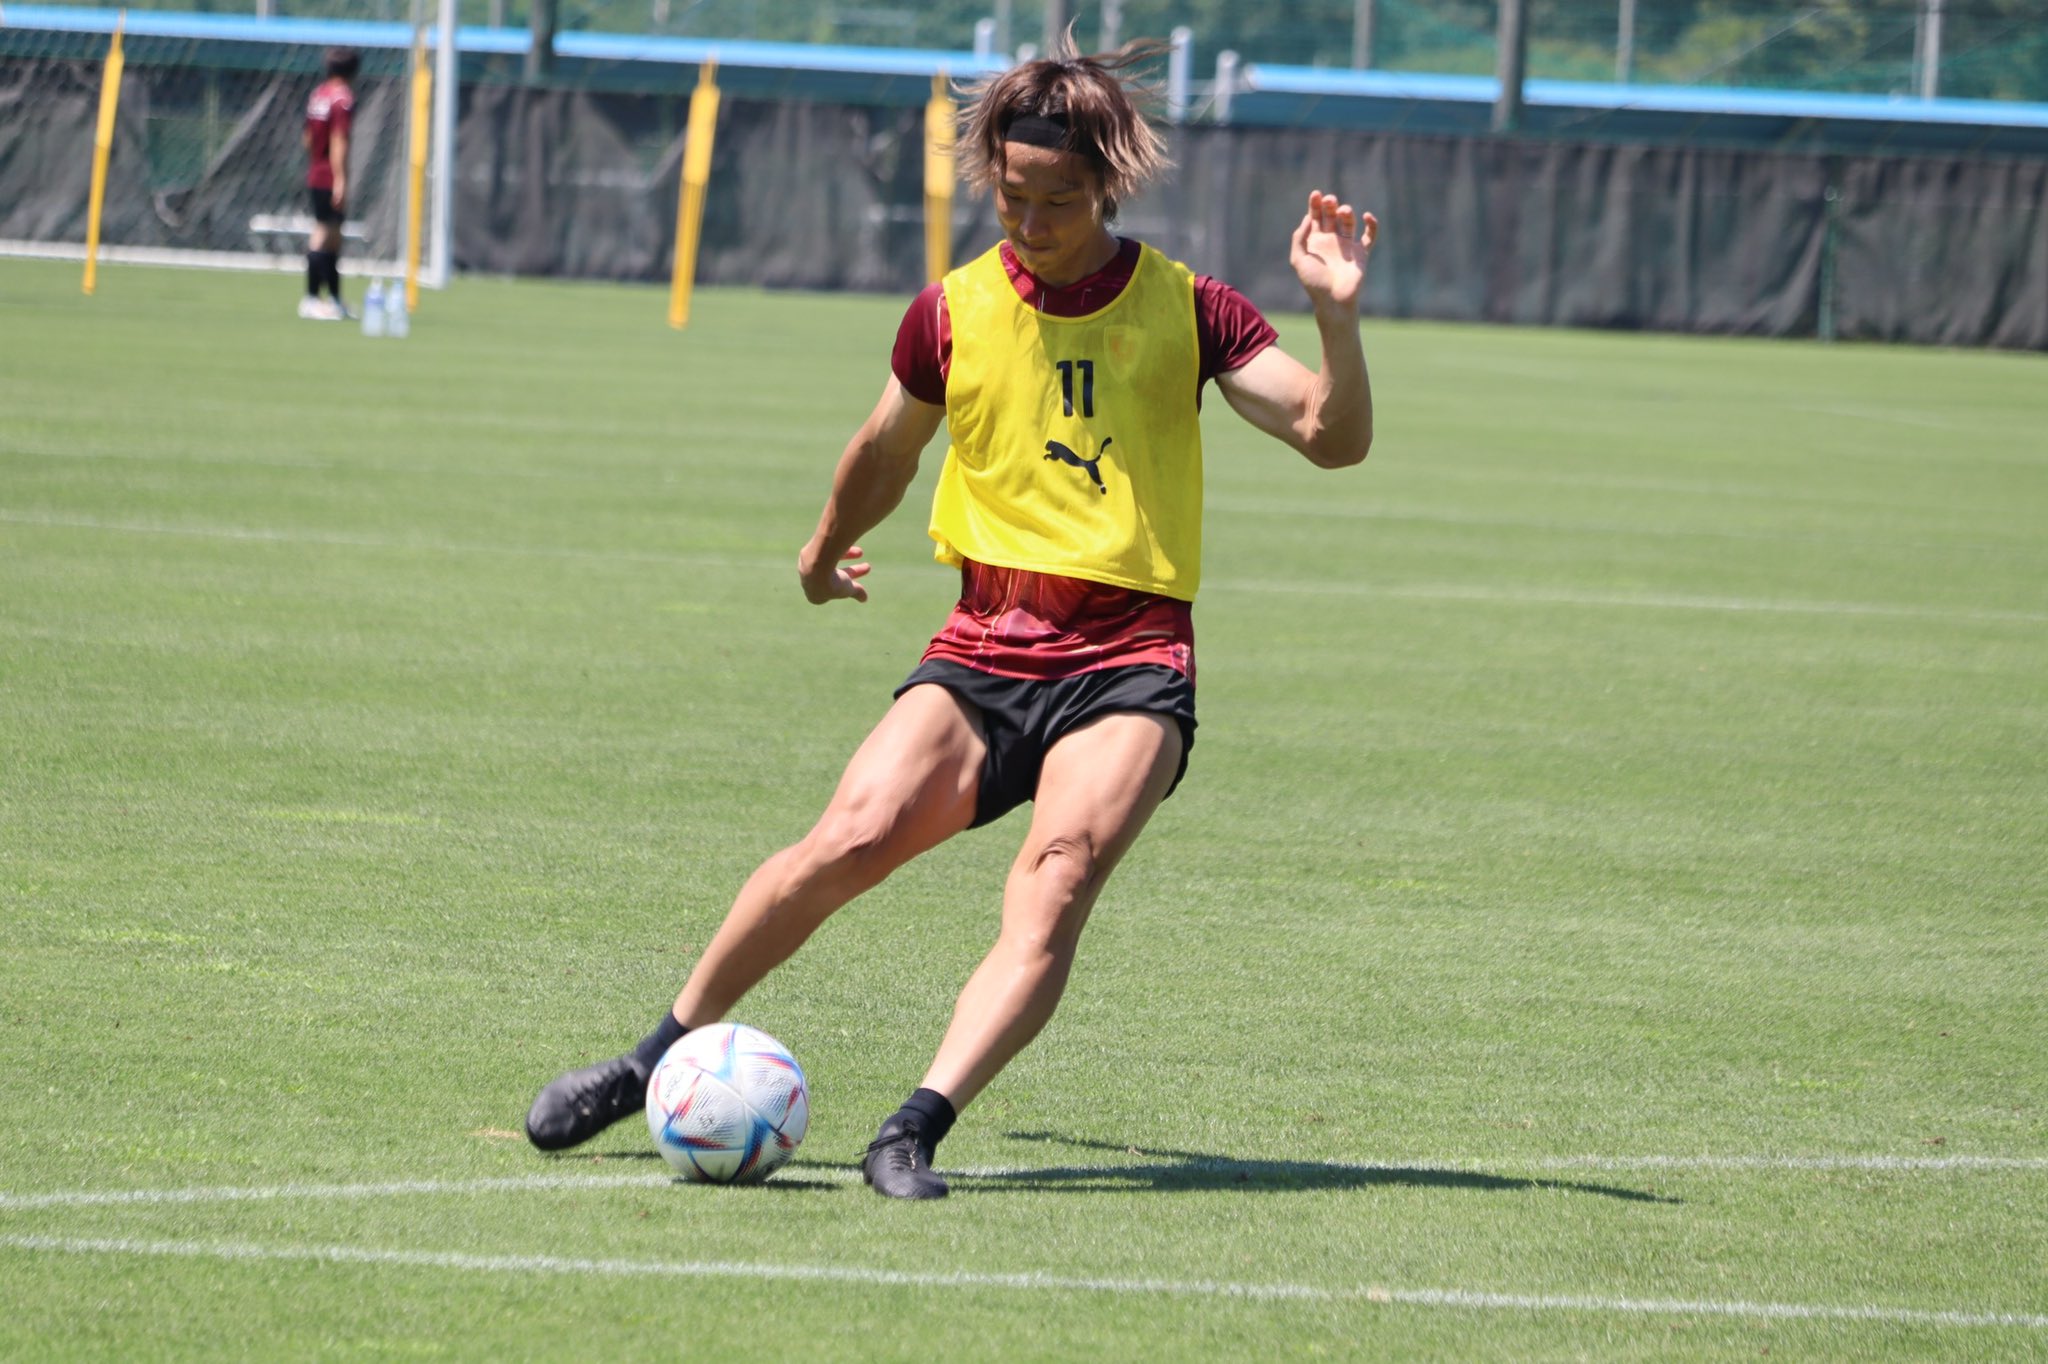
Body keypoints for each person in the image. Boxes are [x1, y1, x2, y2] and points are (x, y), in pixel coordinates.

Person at [525, 37, 1377, 1199]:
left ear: (1107, 186)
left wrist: (1335, 319)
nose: (1029, 222)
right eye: (1011, 197)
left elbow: (1330, 436)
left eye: (1057, 201)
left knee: (1057, 874)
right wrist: (821, 548)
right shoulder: (952, 310)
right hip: (983, 643)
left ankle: (910, 1127)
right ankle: (649, 1058)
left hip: (1129, 656)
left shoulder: (1191, 308)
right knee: (846, 838)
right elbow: (884, 448)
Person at [298, 47, 358, 321]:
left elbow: (308, 138)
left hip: (316, 170)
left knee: (334, 237)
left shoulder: (318, 95)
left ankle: (334, 299)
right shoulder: (342, 99)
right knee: (324, 233)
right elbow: (339, 140)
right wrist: (340, 179)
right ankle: (311, 299)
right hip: (329, 175)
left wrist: (317, 160)